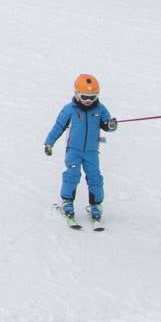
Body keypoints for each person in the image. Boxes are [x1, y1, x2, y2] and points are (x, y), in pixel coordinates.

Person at [44, 73, 117, 225]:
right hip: (74, 150)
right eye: (85, 97)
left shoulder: (100, 109)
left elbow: (107, 124)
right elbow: (59, 127)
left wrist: (111, 125)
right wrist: (49, 142)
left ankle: (96, 205)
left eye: (93, 97)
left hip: (91, 151)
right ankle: (67, 203)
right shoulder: (69, 109)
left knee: (95, 177)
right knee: (72, 174)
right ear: (76, 93)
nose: (89, 101)